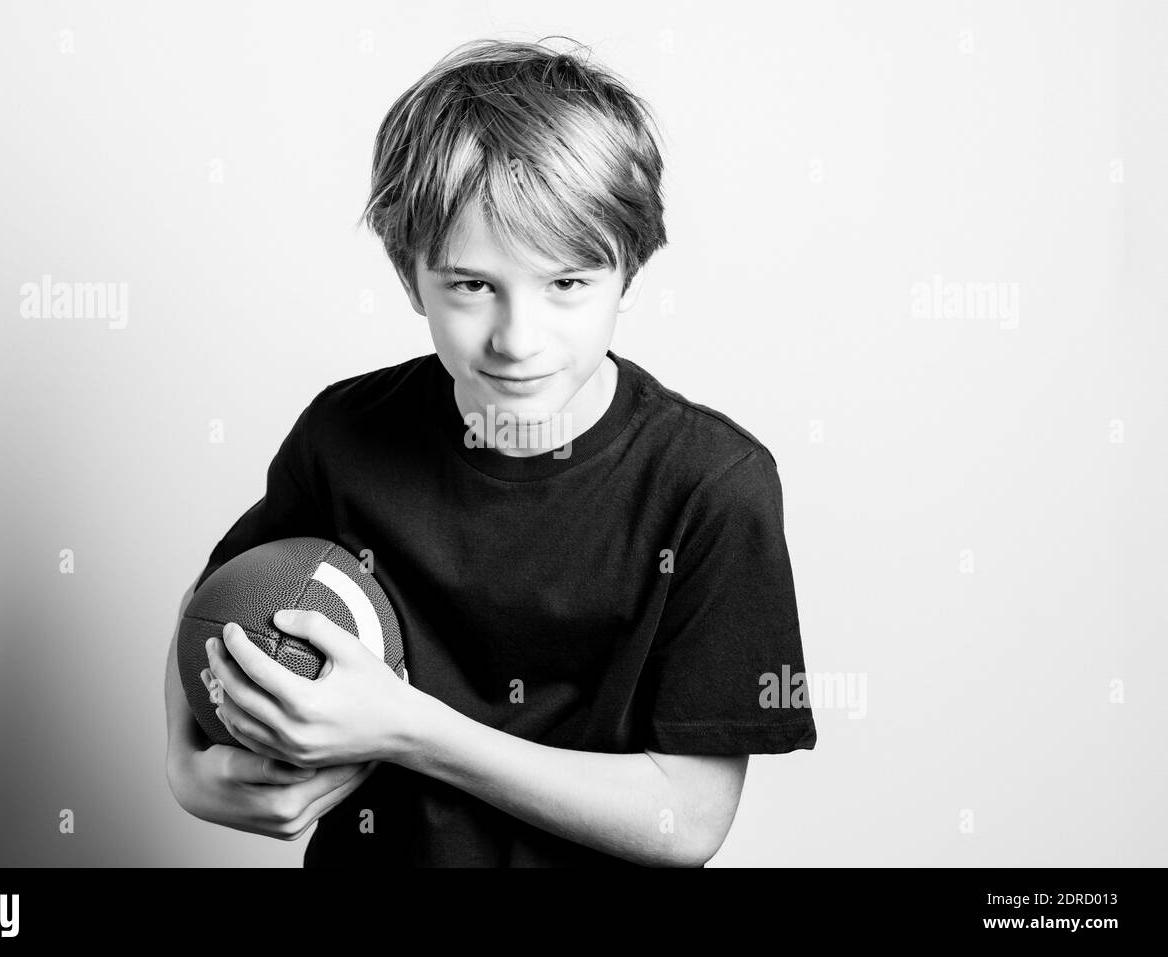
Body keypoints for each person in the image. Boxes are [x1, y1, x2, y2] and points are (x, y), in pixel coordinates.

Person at [165, 37, 816, 867]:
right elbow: (215, 598)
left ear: (629, 272)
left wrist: (408, 729)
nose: (518, 338)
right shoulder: (344, 436)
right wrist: (186, 763)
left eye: (568, 284)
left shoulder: (712, 486)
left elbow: (685, 820)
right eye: (473, 285)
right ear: (410, 278)